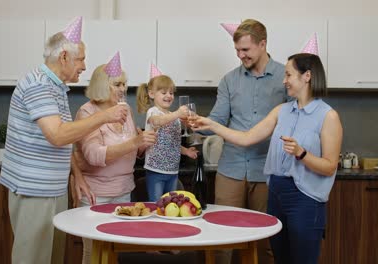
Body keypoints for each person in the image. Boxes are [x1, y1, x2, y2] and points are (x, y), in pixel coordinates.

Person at [0, 17, 127, 264]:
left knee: (52, 257)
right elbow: (57, 135)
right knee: (33, 259)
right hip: (35, 188)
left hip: (51, 188)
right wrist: (104, 117)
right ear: (64, 57)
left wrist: (76, 175)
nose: (84, 66)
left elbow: (64, 136)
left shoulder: (55, 87)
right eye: (81, 59)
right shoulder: (39, 86)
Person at [193, 53, 343, 264]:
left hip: (305, 200)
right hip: (277, 195)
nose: (284, 81)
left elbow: (329, 167)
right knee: (280, 258)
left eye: (289, 75)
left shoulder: (328, 116)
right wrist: (212, 125)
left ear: (307, 76)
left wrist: (302, 154)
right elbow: (246, 138)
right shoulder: (282, 111)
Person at [204, 18, 289, 264]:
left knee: (264, 238)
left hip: (268, 170)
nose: (241, 55)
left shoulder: (286, 76)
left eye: (246, 50)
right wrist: (198, 124)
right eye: (237, 51)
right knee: (222, 236)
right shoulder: (229, 80)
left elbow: (295, 118)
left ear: (262, 44)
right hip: (230, 169)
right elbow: (218, 119)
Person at [73, 54, 157, 264]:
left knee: (114, 250)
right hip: (95, 194)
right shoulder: (86, 112)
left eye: (125, 84)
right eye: (117, 84)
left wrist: (145, 143)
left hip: (123, 191)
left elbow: (132, 150)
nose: (123, 89)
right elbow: (94, 155)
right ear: (102, 85)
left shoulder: (125, 109)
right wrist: (134, 143)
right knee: (93, 253)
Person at [136, 66, 198, 202]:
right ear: (152, 94)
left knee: (171, 205)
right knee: (157, 204)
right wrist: (177, 114)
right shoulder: (153, 112)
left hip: (172, 171)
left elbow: (173, 142)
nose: (169, 96)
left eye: (171, 93)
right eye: (164, 92)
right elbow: (157, 122)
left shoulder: (173, 117)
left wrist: (186, 151)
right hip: (156, 170)